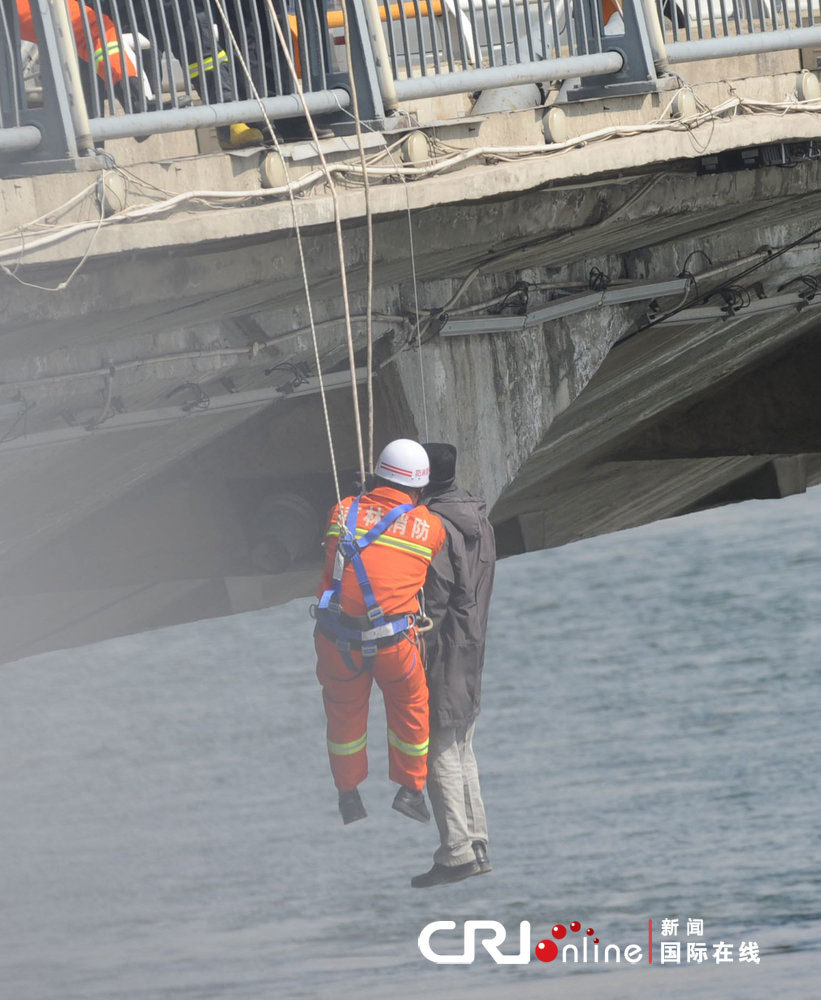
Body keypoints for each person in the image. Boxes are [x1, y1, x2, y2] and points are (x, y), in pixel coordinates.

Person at [314, 439, 446, 825]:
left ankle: (348, 795)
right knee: (411, 708)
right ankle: (410, 790)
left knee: (343, 716)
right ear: (420, 486)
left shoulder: (342, 511)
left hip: (338, 642)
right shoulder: (430, 528)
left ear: (378, 473)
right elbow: (417, 553)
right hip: (395, 645)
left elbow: (336, 550)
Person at [410, 443, 495, 888]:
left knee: (439, 747)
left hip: (443, 650)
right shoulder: (478, 516)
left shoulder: (436, 527)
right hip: (473, 646)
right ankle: (477, 844)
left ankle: (456, 852)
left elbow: (436, 596)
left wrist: (412, 651)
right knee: (462, 747)